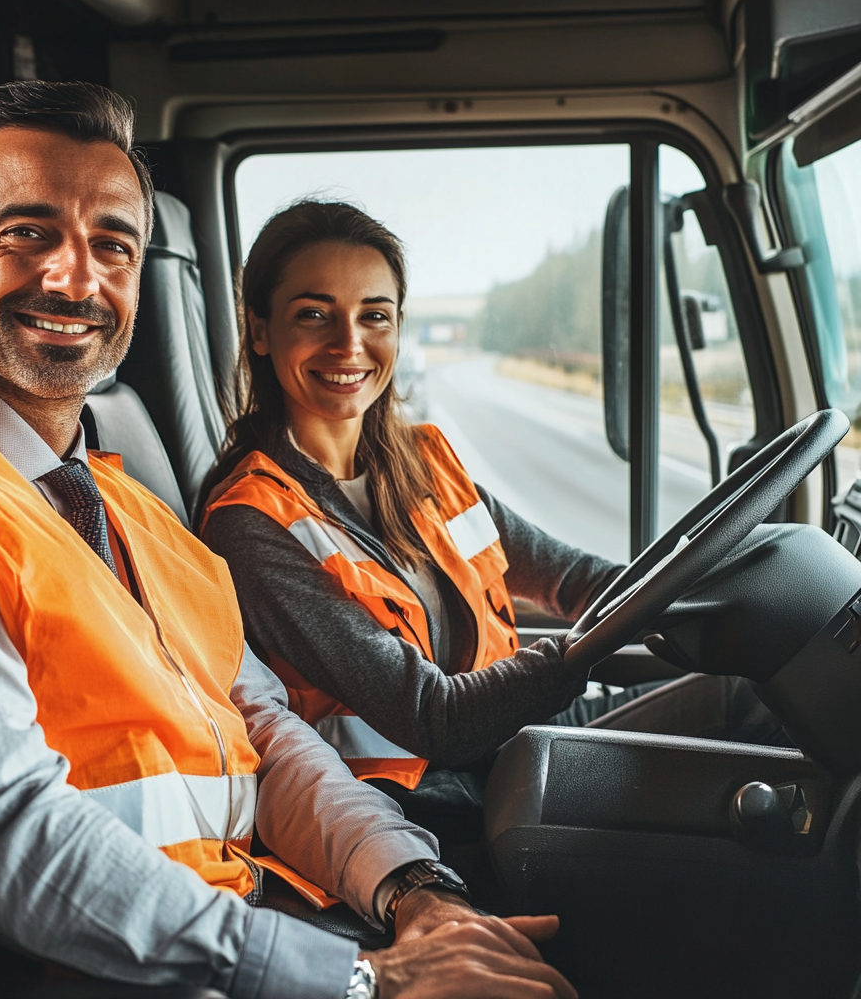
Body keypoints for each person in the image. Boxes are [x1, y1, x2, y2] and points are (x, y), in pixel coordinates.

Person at [0, 81, 579, 999]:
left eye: (112, 245)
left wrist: (416, 893)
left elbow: (266, 732)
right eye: (26, 233)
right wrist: (359, 979)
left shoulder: (127, 502)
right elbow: (8, 835)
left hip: (259, 914)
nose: (76, 280)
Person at [196, 200, 793, 850]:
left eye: (374, 316)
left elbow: (572, 578)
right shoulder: (249, 523)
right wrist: (574, 655)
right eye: (314, 315)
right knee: (751, 716)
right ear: (259, 331)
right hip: (433, 804)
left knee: (760, 685)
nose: (350, 344)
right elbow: (434, 718)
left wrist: (715, 594)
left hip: (517, 747)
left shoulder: (424, 462)